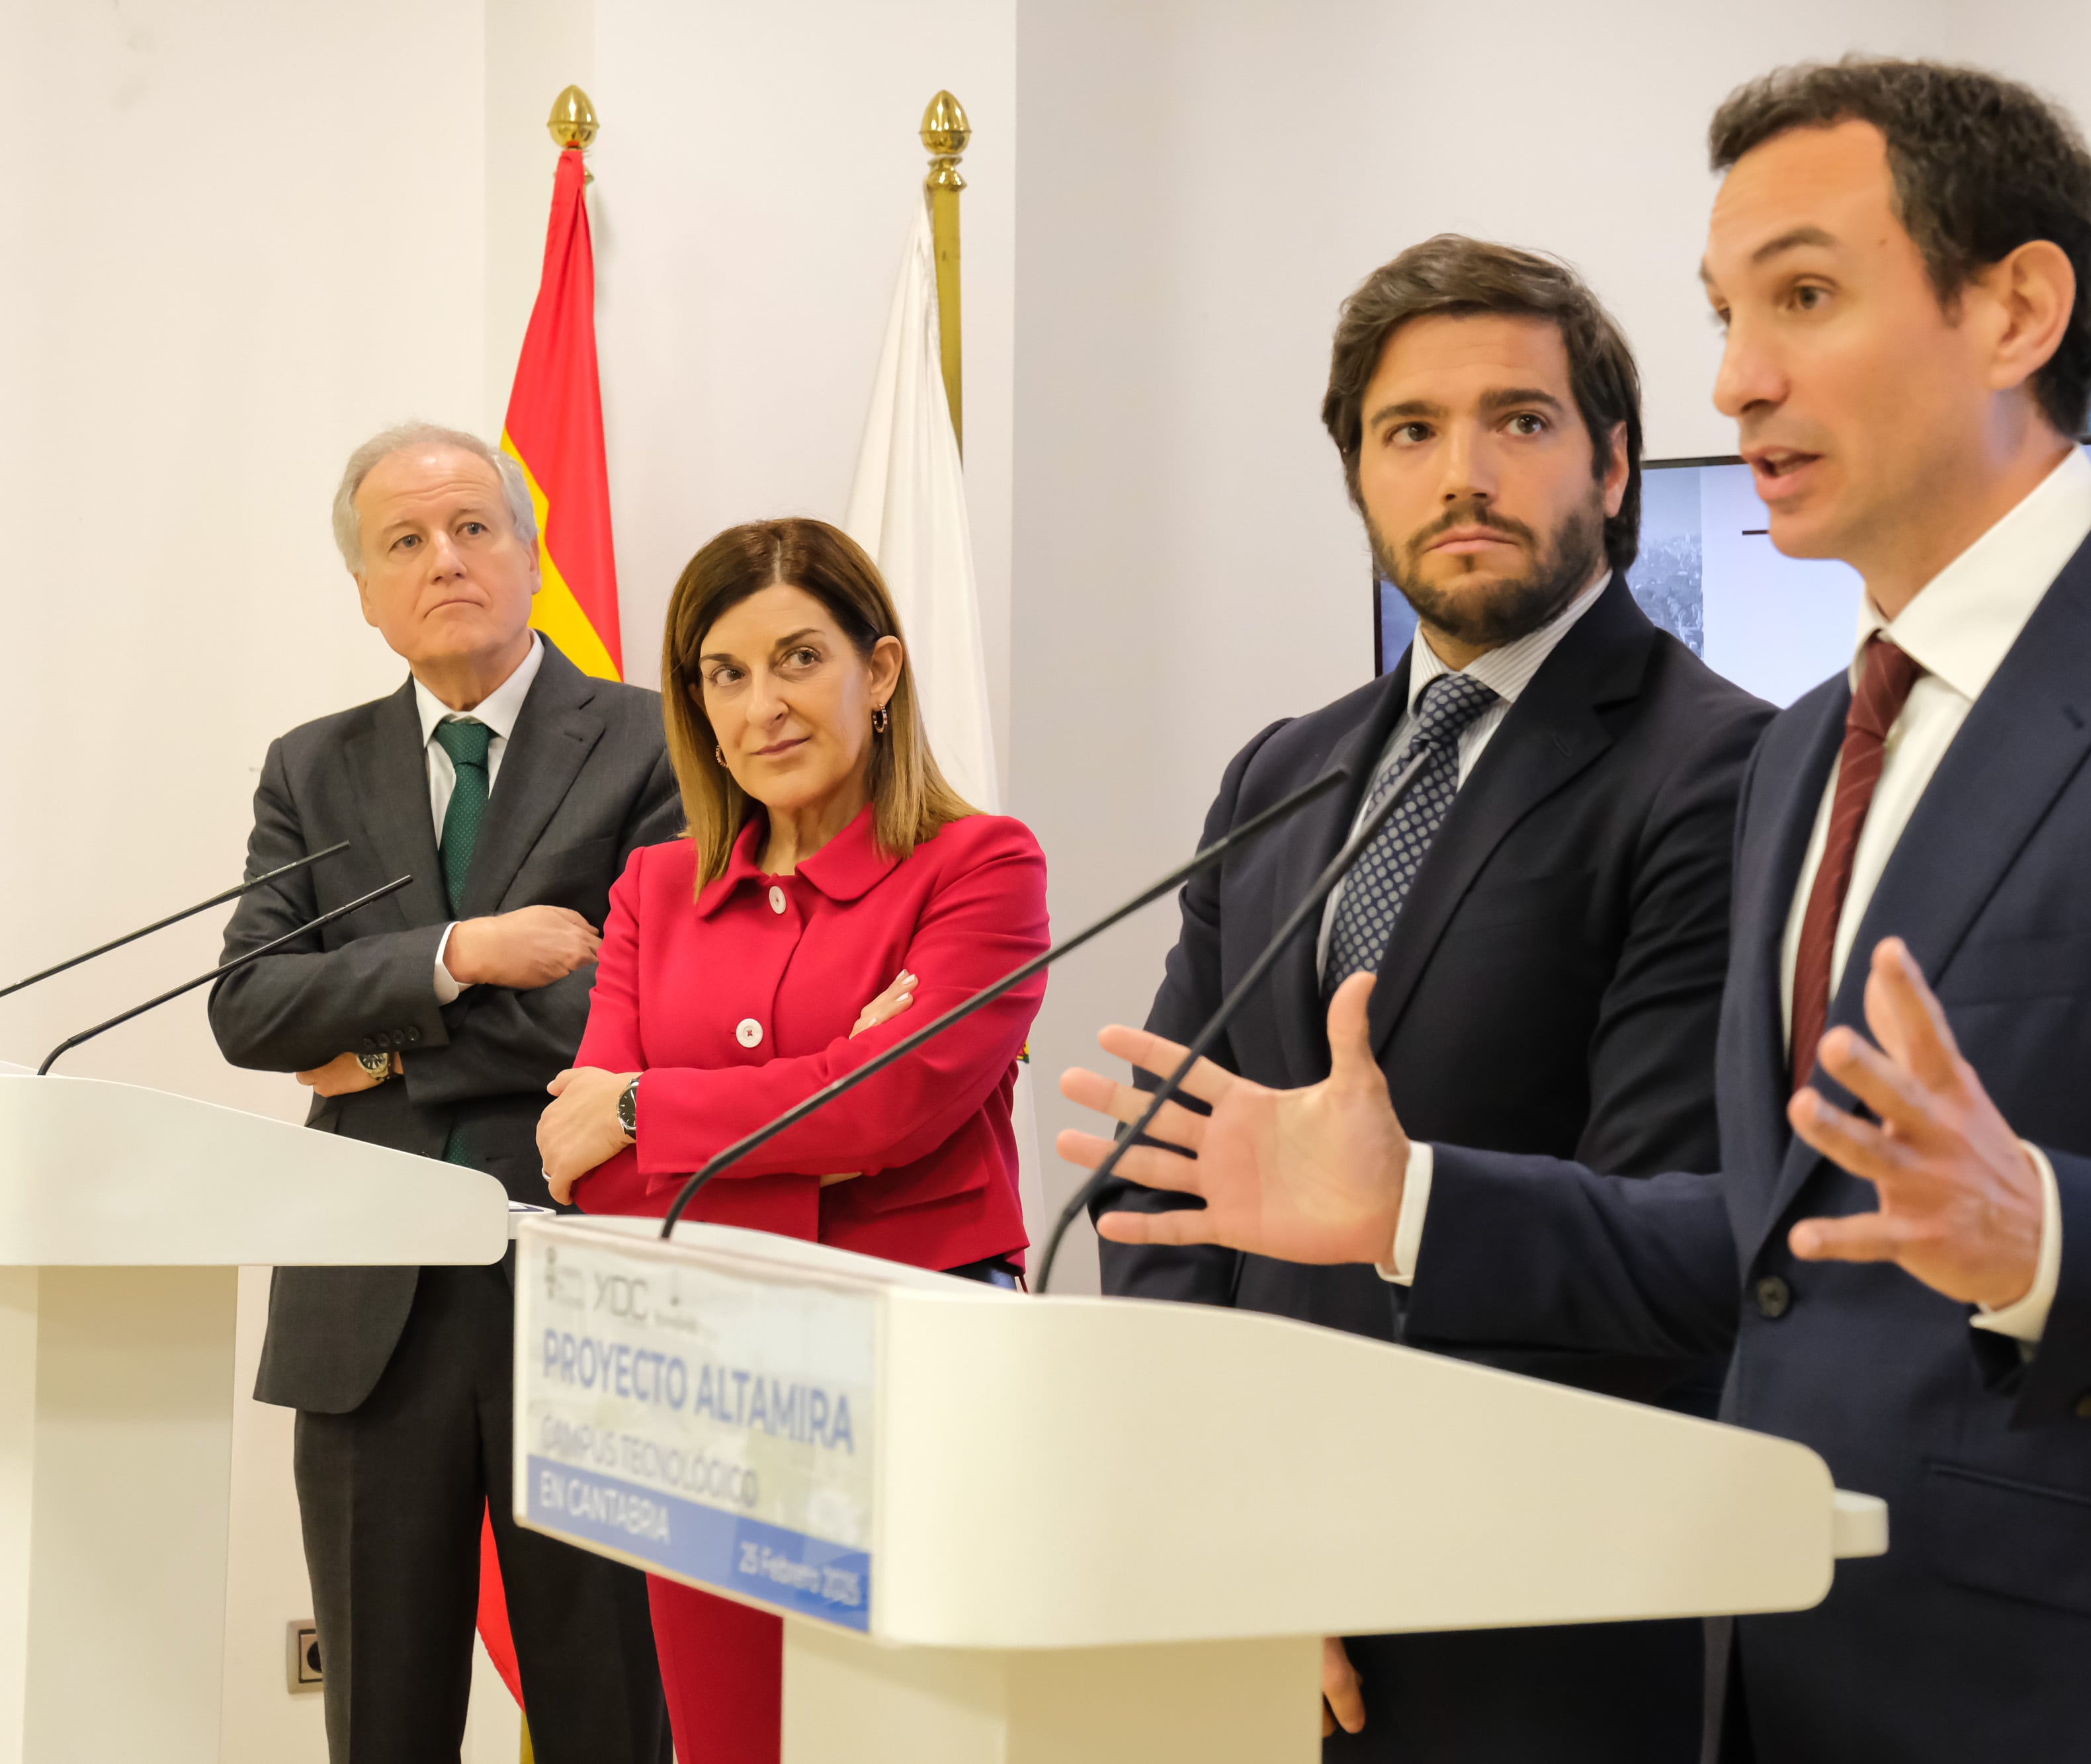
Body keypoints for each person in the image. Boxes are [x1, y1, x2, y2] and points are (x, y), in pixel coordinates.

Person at [1061, 59, 2091, 1763]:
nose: (1735, 380)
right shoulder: (1818, 745)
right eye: (1727, 312)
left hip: (2087, 1697)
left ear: (2018, 306)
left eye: (1803, 296)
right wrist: (1408, 1197)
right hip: (1784, 1662)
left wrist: (2040, 1233)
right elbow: (1761, 1250)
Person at [1094, 234, 1770, 1763]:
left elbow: (1672, 1238)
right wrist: (1236, 1512)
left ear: (1609, 464)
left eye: (1516, 422)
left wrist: (1355, 1530)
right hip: (1255, 1596)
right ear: (1358, 478)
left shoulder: (1721, 768)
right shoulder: (1284, 770)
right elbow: (1168, 1178)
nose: (1460, 471)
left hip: (1538, 1603)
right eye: (1409, 432)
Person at [536, 516, 1048, 1764]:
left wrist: (656, 1105)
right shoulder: (655, 889)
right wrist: (829, 1106)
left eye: (798, 659)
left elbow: (895, 1106)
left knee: (919, 1737)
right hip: (704, 1379)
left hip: (921, 1356)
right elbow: (577, 1166)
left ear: (878, 675)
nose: (762, 704)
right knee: (730, 1743)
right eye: (725, 673)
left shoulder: (981, 866)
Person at [210, 422, 676, 1763]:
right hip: (368, 1309)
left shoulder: (651, 742)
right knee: (380, 1725)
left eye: (474, 525)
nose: (445, 559)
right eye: (404, 540)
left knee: (607, 1716)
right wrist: (459, 955)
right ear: (365, 589)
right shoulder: (313, 764)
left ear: (528, 550)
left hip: (580, 1290)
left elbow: (633, 1009)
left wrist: (383, 1040)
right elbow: (249, 1005)